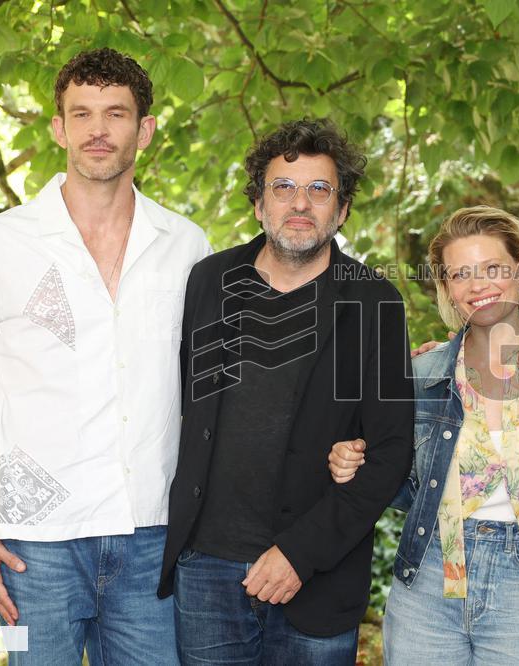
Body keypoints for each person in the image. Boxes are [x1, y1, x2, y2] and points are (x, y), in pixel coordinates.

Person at [0, 48, 211, 664]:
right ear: (58, 128)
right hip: (36, 543)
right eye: (81, 114)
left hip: (152, 535)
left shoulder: (187, 246)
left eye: (116, 113)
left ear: (146, 129)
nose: (98, 130)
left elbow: (215, 384)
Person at [160, 118, 414, 665]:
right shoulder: (209, 282)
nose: (300, 203)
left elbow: (391, 453)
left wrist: (301, 553)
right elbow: (179, 401)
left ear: (342, 210)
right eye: (283, 188)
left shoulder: (372, 303)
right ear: (258, 204)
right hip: (206, 569)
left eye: (319, 190)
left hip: (316, 575)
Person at [330, 206, 519, 665]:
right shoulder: (423, 375)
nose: (477, 285)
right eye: (460, 274)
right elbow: (401, 479)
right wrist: (354, 459)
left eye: (491, 268)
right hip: (428, 575)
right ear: (447, 289)